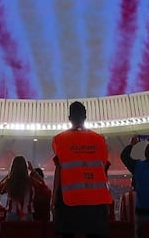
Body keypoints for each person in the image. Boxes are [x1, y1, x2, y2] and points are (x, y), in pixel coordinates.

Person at [51, 101, 112, 238]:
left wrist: (54, 199)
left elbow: (59, 171)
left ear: (69, 118)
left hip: (69, 201)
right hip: (96, 201)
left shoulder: (59, 140)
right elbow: (104, 170)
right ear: (85, 116)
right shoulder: (100, 140)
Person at [0, 156, 40, 221]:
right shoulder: (31, 181)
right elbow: (42, 185)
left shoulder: (9, 181)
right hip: (27, 213)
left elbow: (0, 189)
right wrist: (33, 171)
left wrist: (9, 174)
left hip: (12, 213)